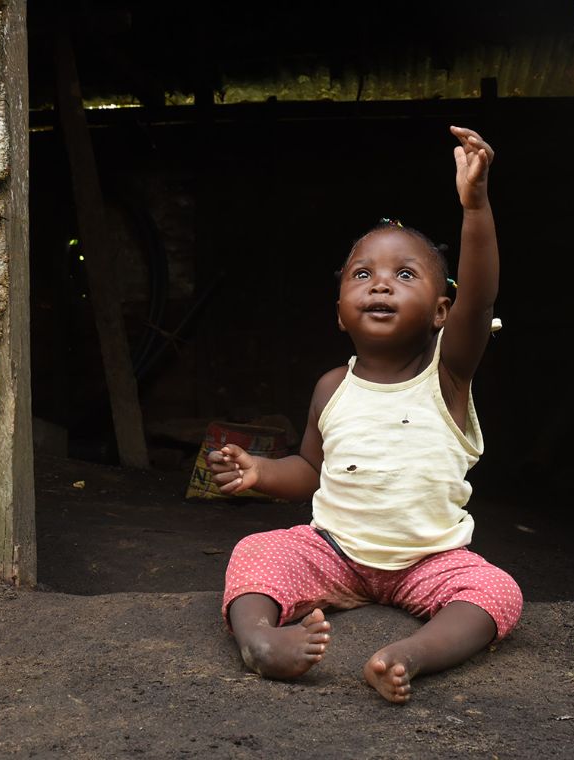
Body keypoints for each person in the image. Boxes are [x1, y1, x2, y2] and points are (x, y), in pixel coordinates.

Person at [208, 126, 521, 704]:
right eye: (363, 274)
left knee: (495, 590)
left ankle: (408, 656)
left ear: (441, 311)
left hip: (430, 560)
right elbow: (310, 467)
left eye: (406, 274)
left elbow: (480, 297)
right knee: (254, 553)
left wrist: (474, 207)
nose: (381, 283)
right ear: (339, 313)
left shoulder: (448, 373)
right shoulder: (332, 388)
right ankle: (261, 641)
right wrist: (259, 471)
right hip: (335, 553)